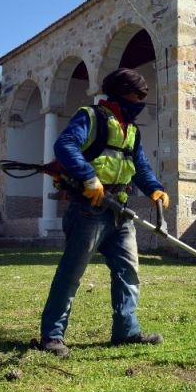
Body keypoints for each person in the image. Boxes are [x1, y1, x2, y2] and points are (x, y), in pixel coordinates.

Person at [39, 67, 170, 358]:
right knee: (71, 274)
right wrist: (88, 176)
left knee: (128, 272)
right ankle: (52, 336)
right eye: (139, 94)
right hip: (89, 211)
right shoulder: (91, 117)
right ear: (124, 92)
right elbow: (64, 145)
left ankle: (126, 331)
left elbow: (141, 165)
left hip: (119, 212)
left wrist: (154, 189)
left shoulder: (131, 130)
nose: (142, 100)